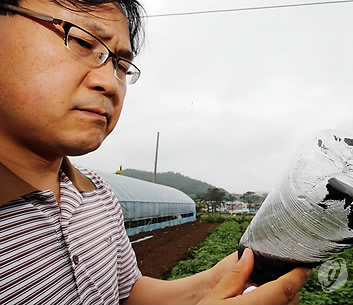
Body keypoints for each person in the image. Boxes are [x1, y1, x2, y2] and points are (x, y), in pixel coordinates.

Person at [0, 0, 311, 304]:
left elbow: (129, 292)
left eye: (121, 66)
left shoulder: (99, 195)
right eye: (82, 41)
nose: (110, 82)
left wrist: (217, 278)